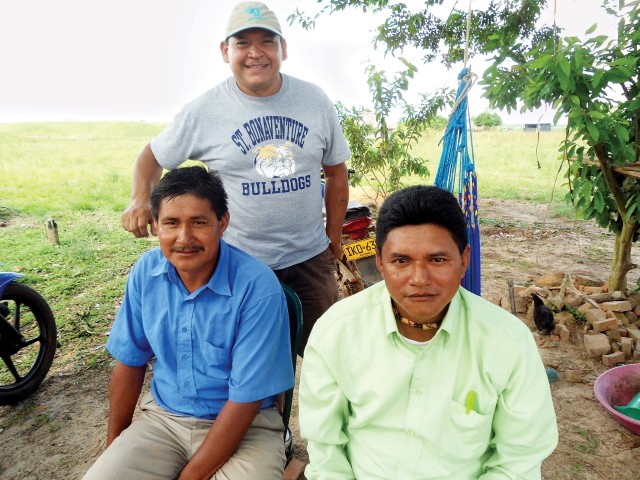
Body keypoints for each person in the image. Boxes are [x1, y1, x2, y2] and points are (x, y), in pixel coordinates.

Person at [120, 1, 350, 355]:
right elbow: (151, 157)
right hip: (239, 264)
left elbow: (336, 173)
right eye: (242, 43)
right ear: (225, 51)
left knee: (329, 356)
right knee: (253, 360)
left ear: (283, 49)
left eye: (267, 42)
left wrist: (332, 236)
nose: (255, 54)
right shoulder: (204, 111)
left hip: (310, 260)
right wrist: (139, 199)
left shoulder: (314, 100)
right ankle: (269, 410)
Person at [299, 185, 558, 479]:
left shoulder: (508, 343)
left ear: (464, 261)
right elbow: (327, 452)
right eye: (401, 261)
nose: (419, 279)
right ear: (380, 263)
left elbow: (517, 461)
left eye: (437, 260)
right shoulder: (336, 333)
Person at [84, 166, 294, 480]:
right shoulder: (145, 273)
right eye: (171, 223)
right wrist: (114, 445)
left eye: (199, 222)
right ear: (155, 226)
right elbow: (129, 361)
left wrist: (190, 477)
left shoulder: (257, 288)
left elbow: (245, 400)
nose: (184, 238)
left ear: (222, 223)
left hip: (248, 425)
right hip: (164, 420)